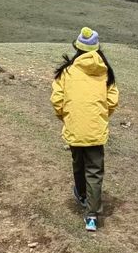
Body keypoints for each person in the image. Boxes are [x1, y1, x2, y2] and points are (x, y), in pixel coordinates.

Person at [51, 27, 119, 232]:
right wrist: (100, 117)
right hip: (96, 130)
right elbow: (112, 100)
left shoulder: (67, 72)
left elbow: (57, 100)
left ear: (77, 48)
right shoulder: (105, 71)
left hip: (74, 128)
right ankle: (91, 216)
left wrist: (66, 117)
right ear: (96, 49)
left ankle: (81, 195)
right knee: (95, 171)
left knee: (78, 164)